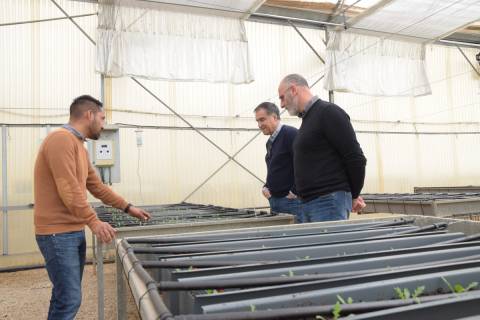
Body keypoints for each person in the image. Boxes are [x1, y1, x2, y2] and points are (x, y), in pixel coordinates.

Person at [34, 95, 151, 320]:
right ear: (89, 115)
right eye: (102, 118)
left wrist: (128, 207)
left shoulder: (79, 146)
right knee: (69, 299)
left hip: (70, 231)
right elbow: (69, 190)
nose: (104, 124)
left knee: (63, 297)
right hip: (57, 233)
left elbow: (96, 186)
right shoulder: (61, 140)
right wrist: (94, 221)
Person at [278, 74, 367, 222]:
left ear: (293, 89)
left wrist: (354, 194)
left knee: (329, 245)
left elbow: (355, 158)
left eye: (282, 97)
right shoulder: (308, 119)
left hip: (327, 202)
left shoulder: (328, 112)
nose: (281, 104)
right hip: (310, 203)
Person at [254, 102, 303, 222]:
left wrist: (294, 191)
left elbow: (304, 163)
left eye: (262, 120)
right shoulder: (270, 141)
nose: (260, 125)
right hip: (275, 200)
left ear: (275, 117)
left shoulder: (290, 134)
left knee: (294, 238)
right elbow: (276, 168)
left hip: (291, 202)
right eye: (257, 121)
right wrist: (267, 187)